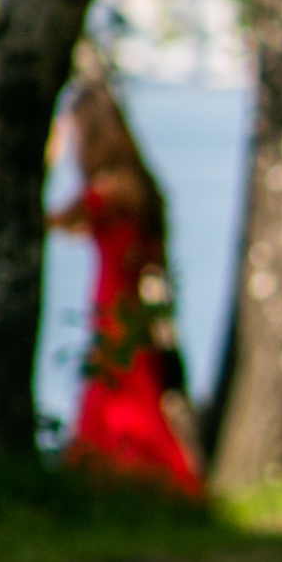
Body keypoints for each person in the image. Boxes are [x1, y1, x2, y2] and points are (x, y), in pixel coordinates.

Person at [47, 81, 204, 498]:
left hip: (114, 304)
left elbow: (56, 221)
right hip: (131, 308)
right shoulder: (138, 186)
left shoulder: (109, 191)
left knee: (121, 402)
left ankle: (142, 481)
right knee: (130, 398)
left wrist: (47, 159)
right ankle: (137, 481)